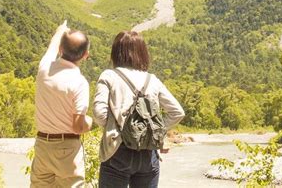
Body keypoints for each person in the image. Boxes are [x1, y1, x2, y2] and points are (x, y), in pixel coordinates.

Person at [93, 31, 185, 188]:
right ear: (143, 53)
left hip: (117, 150)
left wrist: (118, 130)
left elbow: (99, 114)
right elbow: (177, 112)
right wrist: (154, 130)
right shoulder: (152, 79)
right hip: (148, 153)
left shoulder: (109, 76)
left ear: (116, 52)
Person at [31, 21, 93, 187]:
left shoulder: (44, 69)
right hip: (67, 148)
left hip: (43, 144)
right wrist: (90, 122)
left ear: (60, 49)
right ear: (85, 55)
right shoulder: (79, 83)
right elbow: (78, 127)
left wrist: (60, 31)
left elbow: (52, 47)